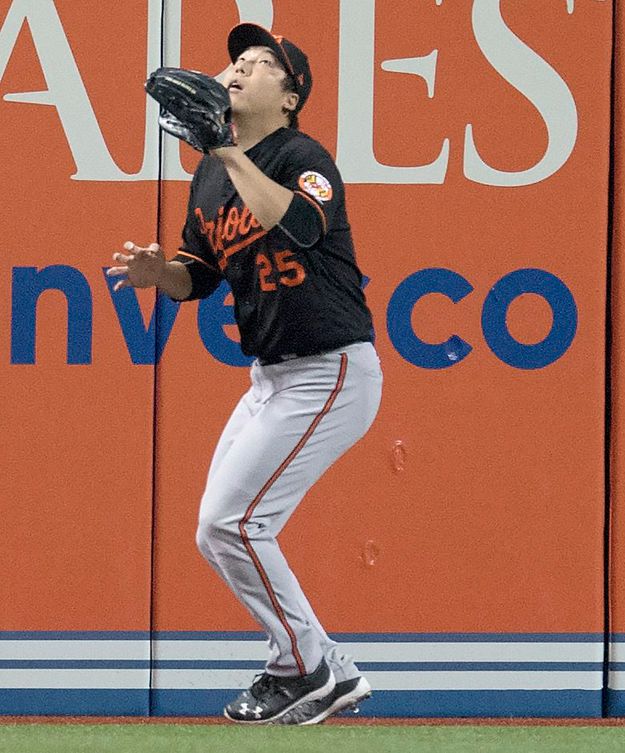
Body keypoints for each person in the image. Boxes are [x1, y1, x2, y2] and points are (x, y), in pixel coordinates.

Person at [108, 24, 380, 725]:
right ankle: (330, 668)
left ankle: (298, 666)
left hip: (332, 369)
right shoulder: (208, 173)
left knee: (235, 522)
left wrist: (225, 149)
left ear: (290, 98)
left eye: (261, 65)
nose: (238, 69)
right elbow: (197, 275)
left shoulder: (301, 155)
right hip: (274, 378)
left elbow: (298, 225)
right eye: (235, 60)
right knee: (217, 528)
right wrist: (157, 272)